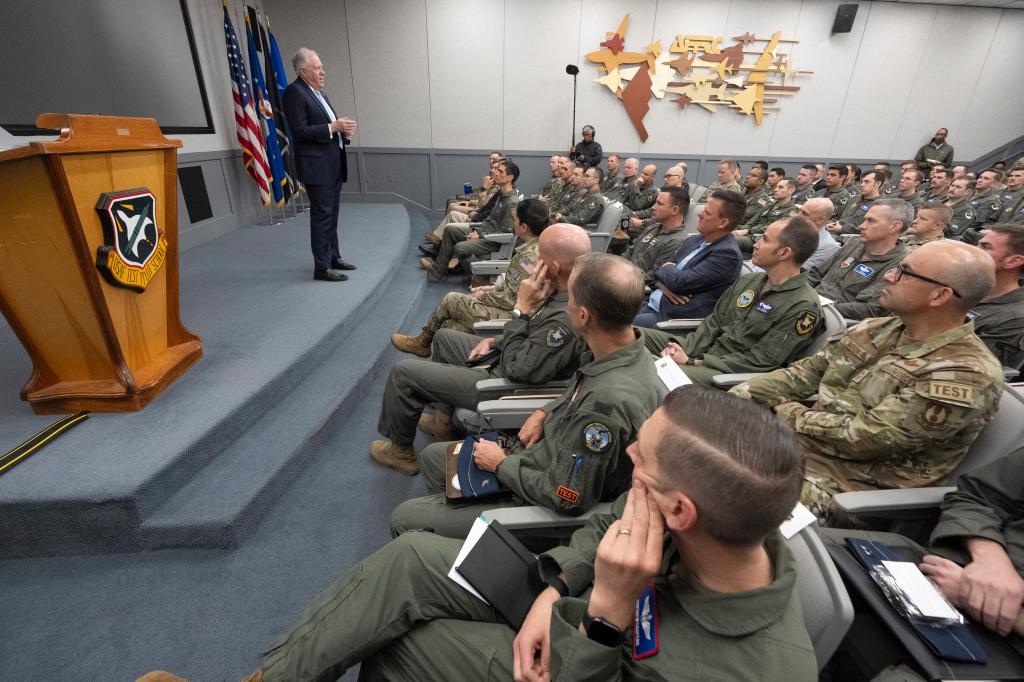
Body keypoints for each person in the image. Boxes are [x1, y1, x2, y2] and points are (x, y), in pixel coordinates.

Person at [136, 389, 814, 682]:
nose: (627, 467)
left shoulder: (735, 670)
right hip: (580, 606)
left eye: (638, 463)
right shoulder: (703, 526)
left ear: (681, 512)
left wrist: (604, 618)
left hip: (589, 655)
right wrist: (558, 586)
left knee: (405, 647)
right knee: (410, 561)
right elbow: (607, 522)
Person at [388, 253, 663, 538]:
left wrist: (501, 465)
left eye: (570, 297)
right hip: (541, 457)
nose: (564, 303)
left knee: (404, 518)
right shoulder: (624, 348)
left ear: (583, 315)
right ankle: (453, 536)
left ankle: (458, 546)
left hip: (539, 500)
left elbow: (566, 496)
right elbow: (581, 385)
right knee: (436, 457)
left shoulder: (604, 408)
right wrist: (546, 411)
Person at [731, 239, 1004, 516]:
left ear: (939, 296)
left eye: (904, 272)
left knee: (721, 491)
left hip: (848, 489)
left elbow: (862, 437)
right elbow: (802, 374)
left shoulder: (966, 374)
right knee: (700, 439)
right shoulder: (875, 329)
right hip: (798, 448)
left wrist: (785, 412)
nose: (888, 275)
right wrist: (736, 399)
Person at [372, 224, 591, 475]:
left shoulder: (564, 318)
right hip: (512, 356)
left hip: (505, 384)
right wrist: (495, 341)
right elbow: (532, 338)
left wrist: (520, 310)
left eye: (540, 256)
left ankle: (401, 453)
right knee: (444, 338)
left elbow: (518, 370)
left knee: (403, 373)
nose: (535, 261)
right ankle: (443, 422)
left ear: (553, 267)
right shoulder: (561, 289)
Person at [644, 215, 823, 386]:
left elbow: (760, 362)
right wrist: (684, 350)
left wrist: (692, 361)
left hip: (727, 374)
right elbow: (713, 323)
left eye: (765, 240)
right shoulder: (749, 281)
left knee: (652, 375)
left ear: (784, 253)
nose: (756, 244)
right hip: (702, 352)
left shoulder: (803, 307)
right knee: (630, 336)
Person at [393, 199, 550, 355]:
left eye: (515, 219)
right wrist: (491, 287)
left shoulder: (529, 257)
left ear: (523, 227)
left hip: (515, 316)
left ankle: (423, 341)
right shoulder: (534, 246)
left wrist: (483, 296)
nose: (512, 222)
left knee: (451, 299)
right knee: (450, 326)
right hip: (512, 308)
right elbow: (515, 285)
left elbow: (514, 300)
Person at [284, 48, 357, 282]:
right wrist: (332, 127)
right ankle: (322, 268)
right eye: (318, 68)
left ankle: (333, 257)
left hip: (333, 164)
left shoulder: (320, 94)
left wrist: (343, 133)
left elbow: (328, 129)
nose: (323, 71)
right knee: (322, 216)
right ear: (303, 71)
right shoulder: (294, 93)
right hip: (317, 168)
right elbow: (300, 131)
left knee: (332, 214)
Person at [633, 190, 745, 327]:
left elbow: (680, 282)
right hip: (650, 302)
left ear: (723, 223)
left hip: (668, 318)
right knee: (602, 306)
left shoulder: (727, 255)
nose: (699, 214)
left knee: (608, 324)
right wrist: (662, 284)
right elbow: (658, 267)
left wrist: (668, 269)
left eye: (707, 213)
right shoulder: (696, 240)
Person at [421, 158, 522, 280]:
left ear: (509, 177)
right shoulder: (501, 195)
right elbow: (489, 220)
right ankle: (439, 269)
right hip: (486, 234)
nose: (496, 173)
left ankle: (478, 279)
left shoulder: (511, 202)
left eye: (500, 171)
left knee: (460, 247)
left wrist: (480, 235)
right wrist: (477, 231)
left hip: (495, 242)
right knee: (449, 230)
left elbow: (506, 232)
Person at [811, 199, 911, 320]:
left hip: (833, 320)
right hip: (811, 303)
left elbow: (870, 309)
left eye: (871, 221)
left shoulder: (898, 265)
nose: (861, 226)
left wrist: (819, 308)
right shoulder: (854, 243)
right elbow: (816, 273)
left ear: (894, 227)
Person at [971, 224, 1024, 372]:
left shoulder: (1015, 319)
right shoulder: (963, 287)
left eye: (985, 247)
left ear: (1013, 261)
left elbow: (972, 366)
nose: (975, 250)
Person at [624, 187, 691, 284]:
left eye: (659, 204)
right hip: (625, 274)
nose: (653, 207)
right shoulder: (654, 228)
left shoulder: (677, 242)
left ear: (674, 210)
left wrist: (622, 278)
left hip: (634, 287)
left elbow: (653, 277)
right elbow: (630, 252)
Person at [828, 170, 883, 235]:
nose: (862, 185)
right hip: (836, 232)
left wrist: (842, 229)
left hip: (855, 239)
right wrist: (831, 223)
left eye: (867, 182)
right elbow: (838, 216)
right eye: (861, 182)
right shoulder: (854, 199)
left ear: (878, 184)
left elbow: (873, 228)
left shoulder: (882, 205)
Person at [796, 197, 841, 272]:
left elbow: (799, 271)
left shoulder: (827, 246)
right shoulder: (792, 228)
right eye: (799, 211)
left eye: (804, 213)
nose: (797, 216)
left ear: (820, 220)